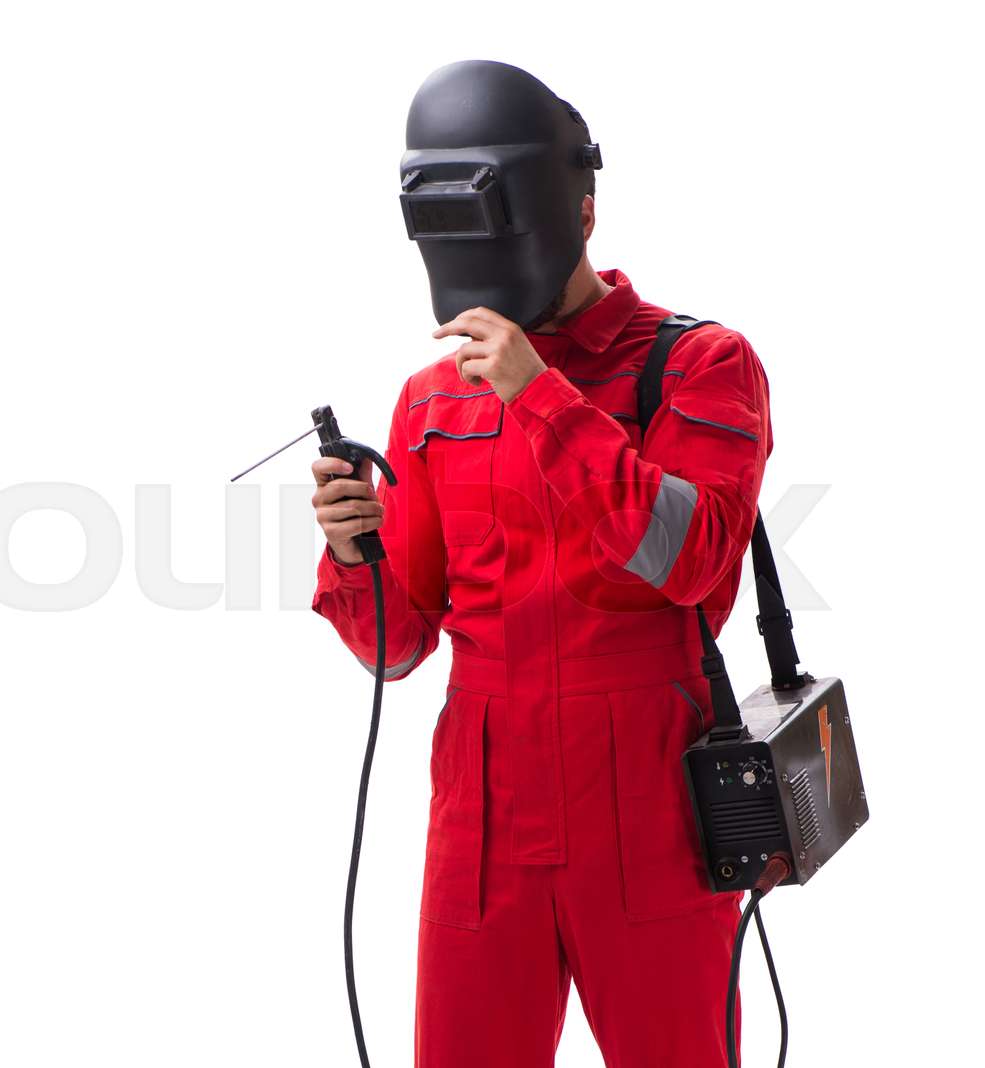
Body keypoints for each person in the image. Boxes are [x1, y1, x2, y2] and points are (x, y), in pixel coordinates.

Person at [309, 60, 772, 1067]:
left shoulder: (698, 364)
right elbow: (398, 649)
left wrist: (542, 398)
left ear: (582, 211)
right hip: (482, 807)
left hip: (650, 807)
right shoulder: (432, 399)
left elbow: (688, 562)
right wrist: (353, 551)